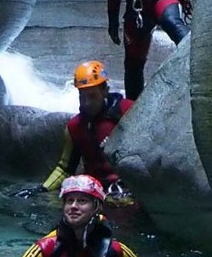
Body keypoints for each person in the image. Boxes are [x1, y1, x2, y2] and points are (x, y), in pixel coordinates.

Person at [1, 174, 161, 257]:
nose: (74, 206)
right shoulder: (45, 249)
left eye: (82, 201)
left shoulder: (117, 252)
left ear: (96, 207)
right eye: (69, 201)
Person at [14, 60, 133, 203]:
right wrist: (40, 190)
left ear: (105, 91)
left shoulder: (128, 111)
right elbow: (64, 168)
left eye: (92, 96)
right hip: (94, 193)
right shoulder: (75, 126)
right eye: (82, 96)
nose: (86, 103)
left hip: (129, 188)